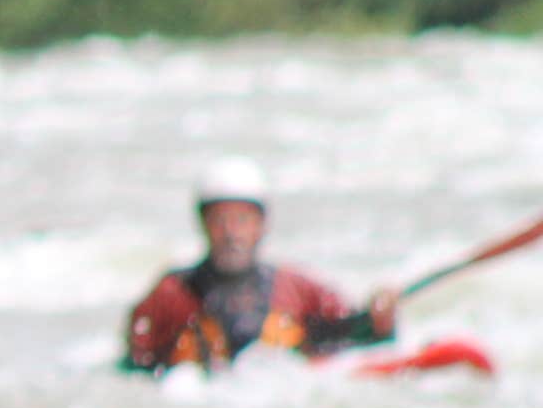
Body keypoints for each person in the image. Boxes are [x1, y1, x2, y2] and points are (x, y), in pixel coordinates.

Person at [124, 158, 400, 372]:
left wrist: (380, 319)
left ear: (261, 225)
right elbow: (135, 365)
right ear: (203, 224)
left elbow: (355, 336)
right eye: (220, 220)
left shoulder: (297, 288)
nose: (231, 233)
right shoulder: (171, 294)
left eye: (242, 220)